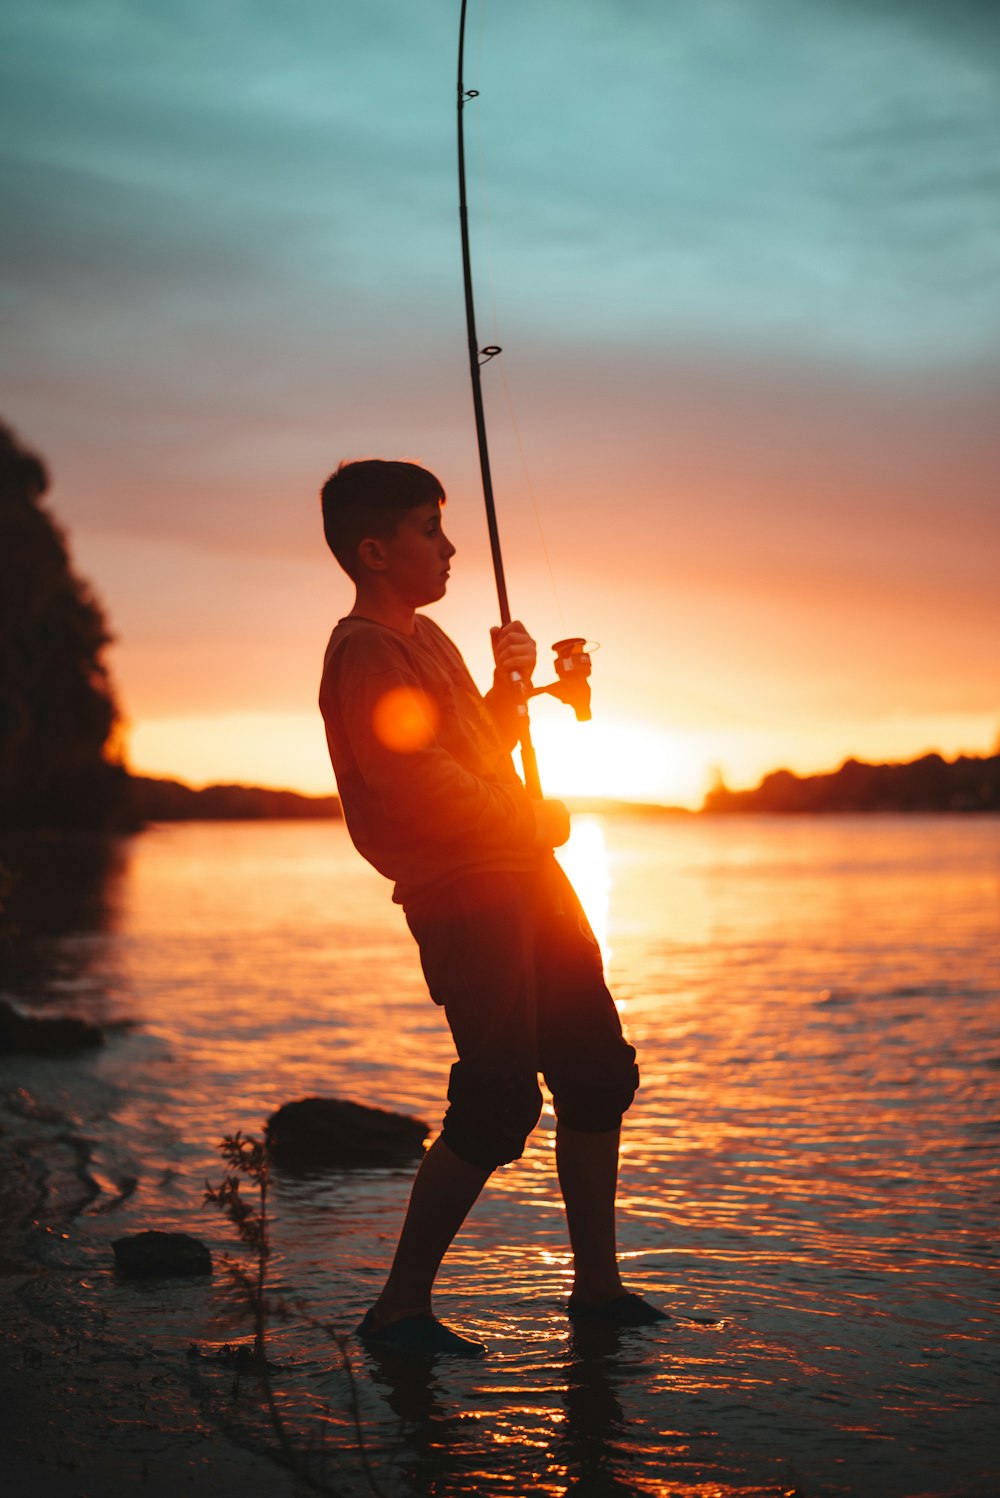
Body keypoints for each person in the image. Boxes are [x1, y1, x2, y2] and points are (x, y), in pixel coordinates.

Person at [318, 458, 664, 1357]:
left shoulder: (427, 642)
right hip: (469, 897)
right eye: (429, 530)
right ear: (373, 551)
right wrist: (531, 812)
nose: (449, 546)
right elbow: (419, 786)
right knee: (500, 1095)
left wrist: (509, 693)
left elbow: (474, 753)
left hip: (526, 878)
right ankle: (398, 1308)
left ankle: (598, 1289)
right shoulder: (365, 649)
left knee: (594, 1070)